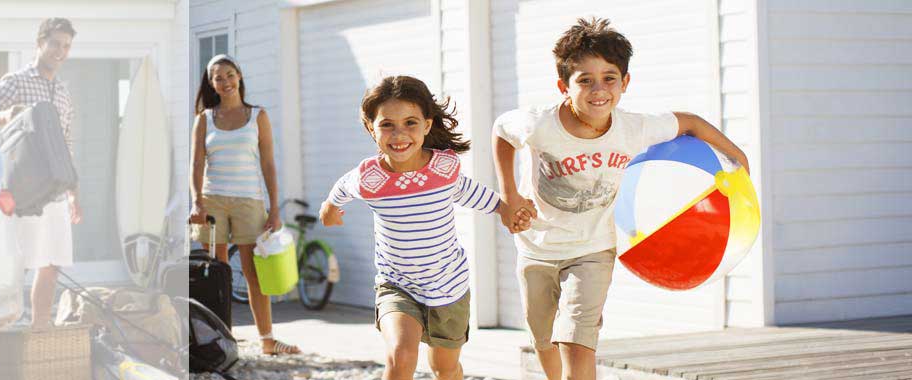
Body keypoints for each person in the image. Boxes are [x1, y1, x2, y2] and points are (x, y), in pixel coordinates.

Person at [491, 17, 750, 380]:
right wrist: (509, 195)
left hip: (594, 249)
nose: (599, 90)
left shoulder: (635, 128)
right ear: (563, 85)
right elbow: (502, 132)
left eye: (609, 78)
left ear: (625, 82)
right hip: (538, 247)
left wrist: (739, 157)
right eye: (585, 80)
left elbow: (690, 122)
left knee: (577, 338)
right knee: (544, 338)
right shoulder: (539, 124)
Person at [319, 75, 522, 380]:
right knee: (402, 355)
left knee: (445, 368)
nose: (399, 134)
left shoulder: (443, 168)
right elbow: (341, 190)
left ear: (427, 125)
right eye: (387, 124)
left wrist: (506, 209)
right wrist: (329, 210)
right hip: (397, 285)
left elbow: (472, 193)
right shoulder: (369, 178)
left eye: (410, 123)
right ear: (370, 128)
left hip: (449, 286)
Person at [189, 54, 301, 355]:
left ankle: (267, 340)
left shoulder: (258, 116)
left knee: (254, 274)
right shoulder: (204, 118)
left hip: (249, 202)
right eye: (217, 77)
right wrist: (196, 202)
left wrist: (274, 208)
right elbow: (197, 164)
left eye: (229, 74)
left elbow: (268, 164)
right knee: (218, 275)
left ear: (239, 76)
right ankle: (222, 338)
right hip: (213, 203)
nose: (224, 82)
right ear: (211, 84)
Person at [0, 17, 81, 329]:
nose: (60, 51)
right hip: (22, 188)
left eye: (66, 46)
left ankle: (40, 326)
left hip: (56, 190)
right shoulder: (15, 81)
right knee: (18, 261)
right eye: (54, 44)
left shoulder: (63, 94)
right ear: (40, 43)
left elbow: (66, 143)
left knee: (52, 260)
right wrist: (4, 115)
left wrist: (74, 192)